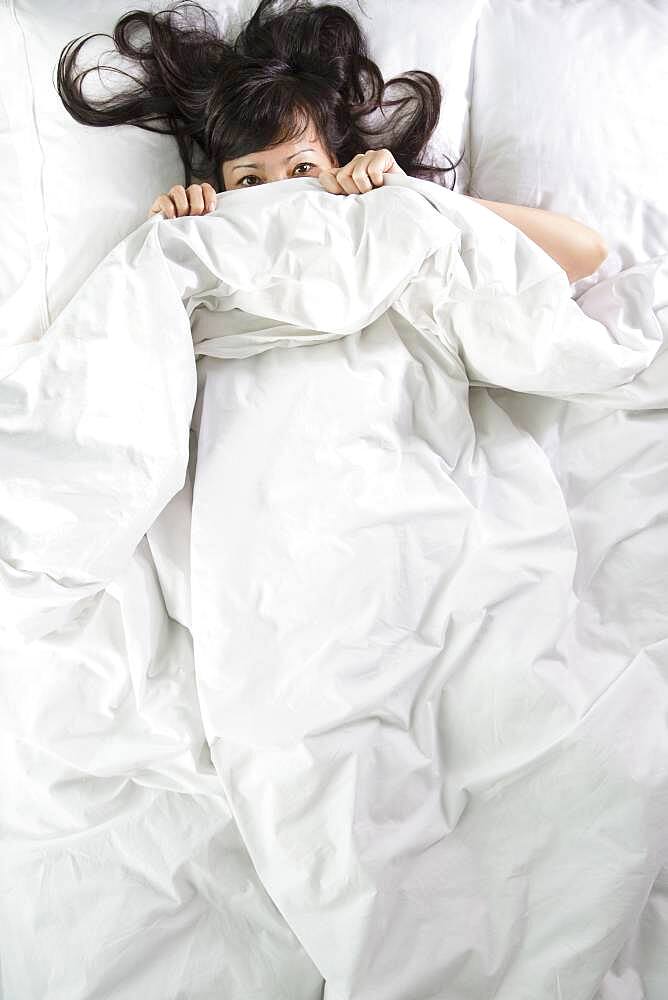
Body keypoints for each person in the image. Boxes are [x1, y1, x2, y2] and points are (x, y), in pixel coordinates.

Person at [56, 0, 607, 281]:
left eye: (300, 170)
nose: (281, 195)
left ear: (337, 162)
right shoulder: (207, 241)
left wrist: (417, 198)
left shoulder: (389, 217)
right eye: (249, 180)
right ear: (218, 188)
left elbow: (585, 254)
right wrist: (162, 243)